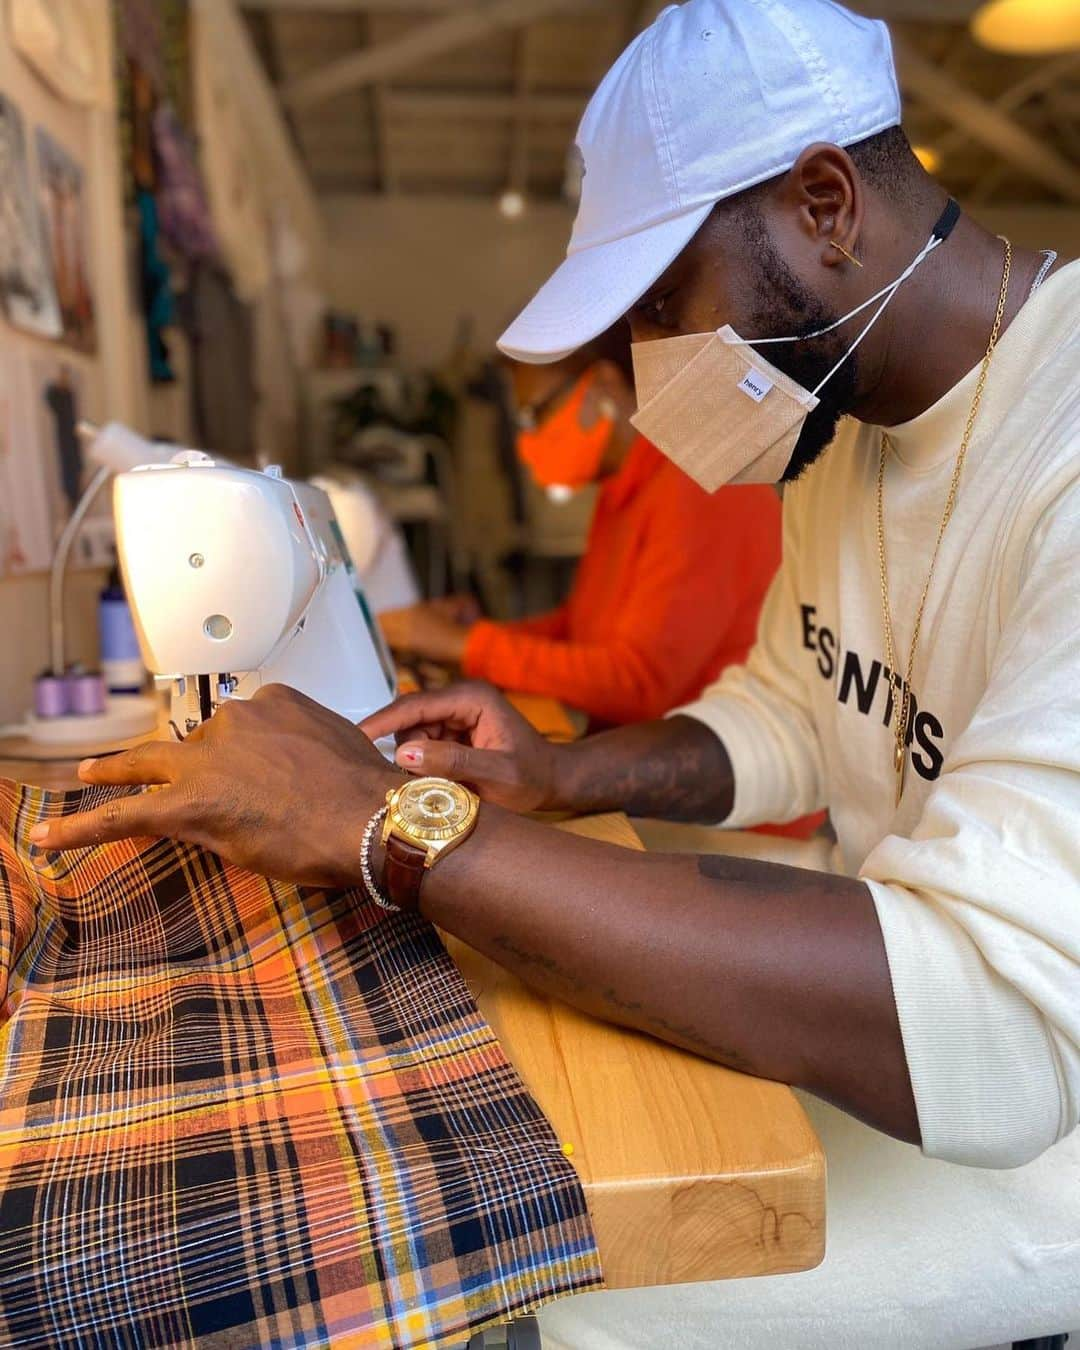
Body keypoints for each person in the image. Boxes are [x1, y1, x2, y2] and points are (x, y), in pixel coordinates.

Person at [36, 1, 1080, 1345]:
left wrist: (400, 823)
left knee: (525, 1289)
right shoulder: (854, 431)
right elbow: (792, 711)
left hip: (1044, 1130)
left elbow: (1001, 1018)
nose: (642, 376)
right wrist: (556, 771)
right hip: (929, 1009)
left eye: (659, 307)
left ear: (826, 203)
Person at [380, 325, 787, 730]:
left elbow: (639, 683)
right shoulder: (626, 483)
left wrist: (465, 645)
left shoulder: (697, 488)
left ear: (604, 386)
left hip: (716, 770)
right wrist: (468, 636)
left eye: (535, 414)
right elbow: (584, 631)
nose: (527, 442)